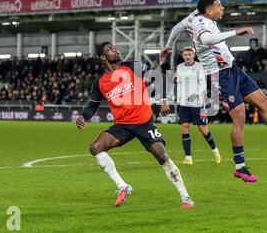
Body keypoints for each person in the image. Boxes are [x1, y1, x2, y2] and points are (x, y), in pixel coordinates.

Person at [160, 0, 267, 183]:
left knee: (263, 101)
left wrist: (168, 46)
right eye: (219, 5)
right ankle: (240, 167)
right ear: (209, 10)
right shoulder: (201, 24)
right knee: (239, 115)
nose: (222, 8)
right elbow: (208, 40)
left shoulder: (194, 16)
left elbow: (176, 28)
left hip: (232, 70)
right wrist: (236, 32)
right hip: (218, 75)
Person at [76, 42, 194, 209]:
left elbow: (159, 78)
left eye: (115, 47)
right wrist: (83, 117)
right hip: (122, 126)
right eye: (110, 49)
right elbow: (93, 105)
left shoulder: (132, 66)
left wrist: (162, 100)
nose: (115, 50)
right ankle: (122, 186)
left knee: (161, 155)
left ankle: (186, 198)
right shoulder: (100, 82)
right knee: (95, 147)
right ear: (103, 57)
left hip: (143, 122)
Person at [176, 47, 221, 165]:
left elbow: (203, 84)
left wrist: (195, 95)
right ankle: (188, 158)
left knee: (202, 129)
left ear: (194, 55)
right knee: (185, 126)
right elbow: (179, 84)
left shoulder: (199, 67)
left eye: (189, 54)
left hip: (197, 103)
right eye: (185, 54)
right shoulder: (180, 67)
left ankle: (215, 150)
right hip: (184, 103)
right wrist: (179, 99)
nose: (187, 56)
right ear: (182, 56)